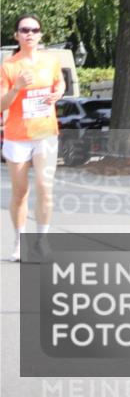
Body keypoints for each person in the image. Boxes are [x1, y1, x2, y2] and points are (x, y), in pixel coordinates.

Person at [1, 14, 65, 261]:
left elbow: (59, 84)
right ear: (16, 35)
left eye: (34, 29)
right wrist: (16, 87)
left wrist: (57, 94)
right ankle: (19, 240)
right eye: (24, 29)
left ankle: (41, 242)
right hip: (17, 136)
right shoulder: (9, 66)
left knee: (45, 188)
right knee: (20, 192)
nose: (30, 33)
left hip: (45, 134)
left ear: (40, 34)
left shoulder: (51, 62)